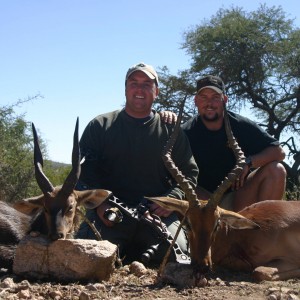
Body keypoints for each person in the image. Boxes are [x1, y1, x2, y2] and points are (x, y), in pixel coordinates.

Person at [76, 62, 198, 264]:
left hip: (157, 213)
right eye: (134, 83)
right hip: (111, 213)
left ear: (156, 92)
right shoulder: (100, 125)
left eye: (146, 84)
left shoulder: (171, 130)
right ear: (125, 89)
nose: (139, 89)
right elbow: (83, 173)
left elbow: (189, 173)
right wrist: (100, 204)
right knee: (87, 257)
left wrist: (170, 201)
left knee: (178, 257)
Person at [182, 75, 286, 212]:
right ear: (196, 101)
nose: (209, 103)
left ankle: (262, 230)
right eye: (203, 97)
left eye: (215, 97)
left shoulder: (240, 124)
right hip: (203, 203)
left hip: (238, 199)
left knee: (277, 170)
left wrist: (248, 163)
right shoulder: (186, 132)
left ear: (224, 100)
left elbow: (279, 152)